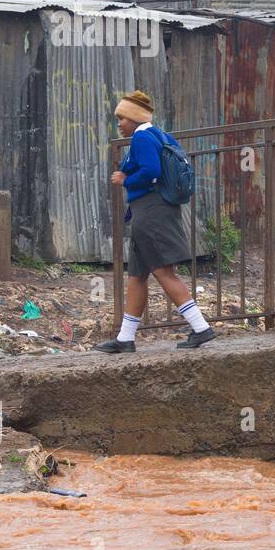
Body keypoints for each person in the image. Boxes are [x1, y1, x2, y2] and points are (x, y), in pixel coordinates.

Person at [96, 91, 216, 353]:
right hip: (150, 211)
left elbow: (151, 171)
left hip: (152, 212)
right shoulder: (159, 134)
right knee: (137, 275)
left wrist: (125, 180)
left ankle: (200, 327)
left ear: (135, 118)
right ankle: (125, 338)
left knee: (163, 272)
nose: (119, 123)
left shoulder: (141, 137)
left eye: (122, 118)